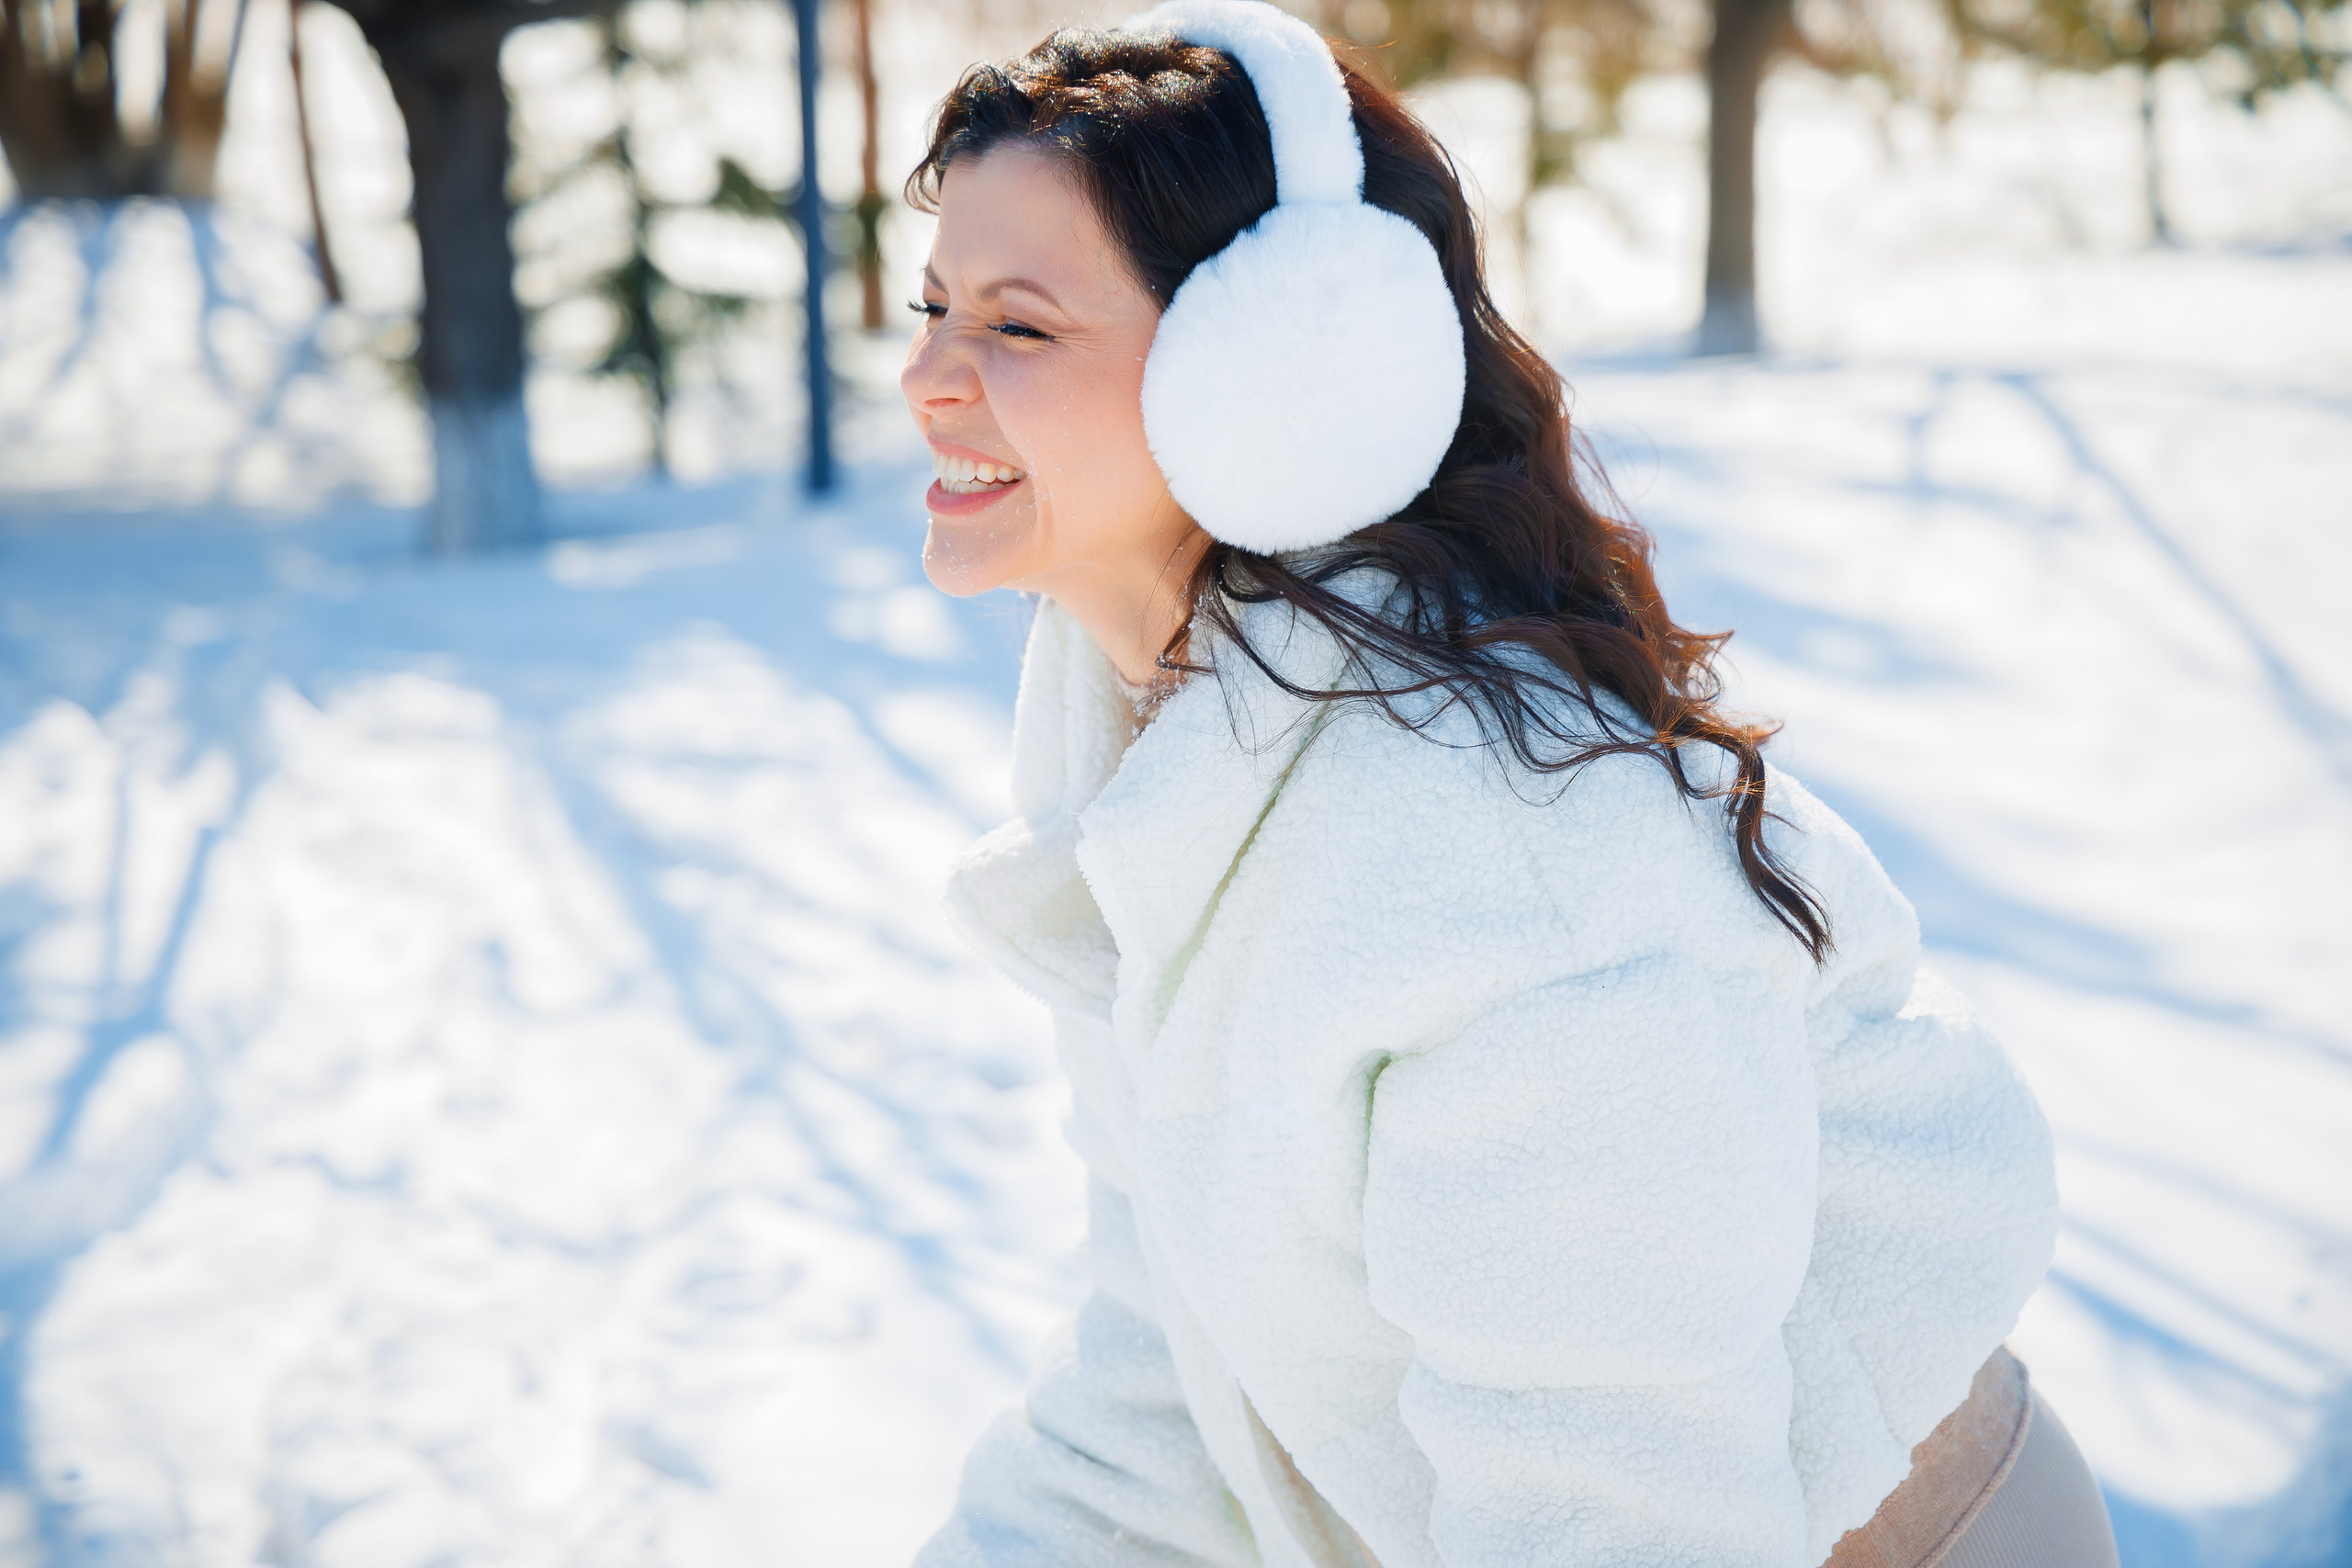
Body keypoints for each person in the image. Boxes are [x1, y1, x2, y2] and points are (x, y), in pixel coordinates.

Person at [897, 4, 2120, 1564]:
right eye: (934, 305)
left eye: (1018, 324)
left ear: (1275, 374)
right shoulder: (1169, 792)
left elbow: (1622, 1513)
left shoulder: (1504, 862)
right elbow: (1166, 1398)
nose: (930, 373)